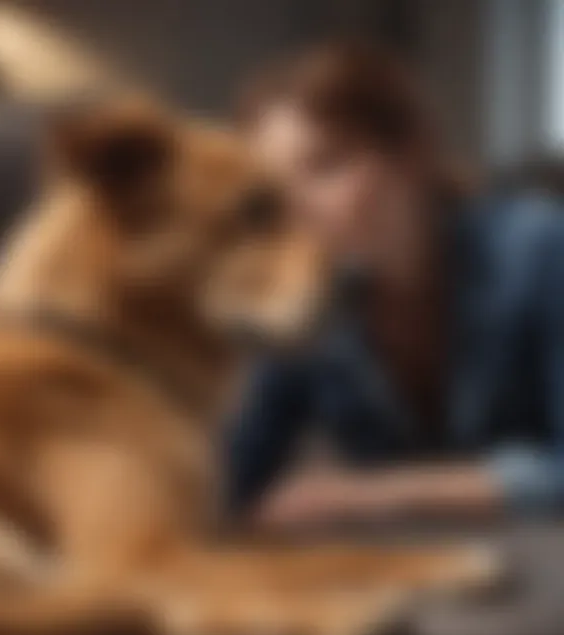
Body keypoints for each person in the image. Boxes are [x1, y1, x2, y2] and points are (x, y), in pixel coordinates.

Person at [227, 41, 564, 528]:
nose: (295, 208)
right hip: (423, 571)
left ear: (410, 153)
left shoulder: (539, 250)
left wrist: (369, 496)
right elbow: (237, 480)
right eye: (275, 189)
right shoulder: (310, 301)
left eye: (325, 165)